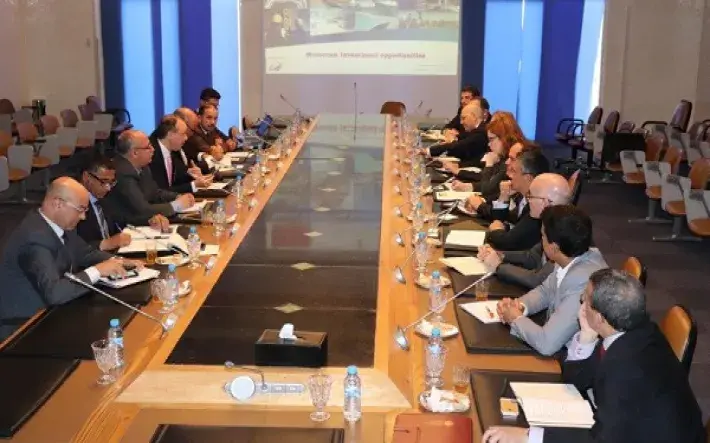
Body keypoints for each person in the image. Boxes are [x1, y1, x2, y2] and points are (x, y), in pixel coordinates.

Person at [483, 269, 705, 443]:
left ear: (600, 318)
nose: (581, 300)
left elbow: (601, 440)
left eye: (585, 299)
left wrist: (528, 437)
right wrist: (586, 337)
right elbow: (576, 380)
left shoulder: (624, 368)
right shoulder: (636, 330)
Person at [0, 177, 142, 340]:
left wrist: (119, 261)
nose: (83, 217)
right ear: (58, 204)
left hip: (53, 311)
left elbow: (85, 253)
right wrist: (97, 271)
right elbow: (55, 293)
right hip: (24, 327)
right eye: (80, 209)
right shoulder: (34, 238)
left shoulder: (59, 224)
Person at [495, 205, 607, 356]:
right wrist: (520, 305)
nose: (541, 240)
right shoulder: (570, 257)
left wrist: (515, 319)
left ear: (554, 247)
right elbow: (546, 290)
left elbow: (547, 344)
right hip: (554, 336)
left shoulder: (582, 283)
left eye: (542, 236)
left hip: (569, 357)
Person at [102, 130, 195, 224]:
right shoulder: (122, 173)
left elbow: (155, 193)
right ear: (135, 153)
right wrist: (176, 206)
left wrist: (177, 196)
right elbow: (142, 210)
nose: (153, 149)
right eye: (148, 147)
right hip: (127, 226)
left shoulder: (143, 166)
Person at [77, 156, 169, 249]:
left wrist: (150, 220)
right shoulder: (75, 204)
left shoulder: (105, 198)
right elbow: (73, 246)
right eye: (104, 182)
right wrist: (105, 244)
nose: (108, 188)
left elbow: (124, 219)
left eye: (111, 183)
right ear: (87, 177)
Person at [479, 150, 550, 251]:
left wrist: (496, 230)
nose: (510, 175)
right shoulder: (522, 196)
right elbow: (498, 219)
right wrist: (504, 196)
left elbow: (507, 242)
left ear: (528, 178)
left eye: (514, 171)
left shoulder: (536, 205)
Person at [445, 111, 523, 202]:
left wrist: (489, 164)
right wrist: (468, 186)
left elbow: (487, 189)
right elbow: (490, 182)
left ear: (504, 136)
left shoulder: (512, 158)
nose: (489, 144)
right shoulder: (502, 154)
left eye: (491, 139)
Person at [149, 115, 213, 193]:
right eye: (183, 134)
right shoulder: (152, 154)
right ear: (170, 134)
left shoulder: (171, 150)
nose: (186, 138)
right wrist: (193, 185)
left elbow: (176, 180)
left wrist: (191, 175)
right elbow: (160, 191)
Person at [426, 99, 489, 167]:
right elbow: (459, 143)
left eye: (464, 118)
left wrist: (428, 151)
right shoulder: (475, 130)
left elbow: (458, 147)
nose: (461, 122)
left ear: (473, 117)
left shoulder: (481, 132)